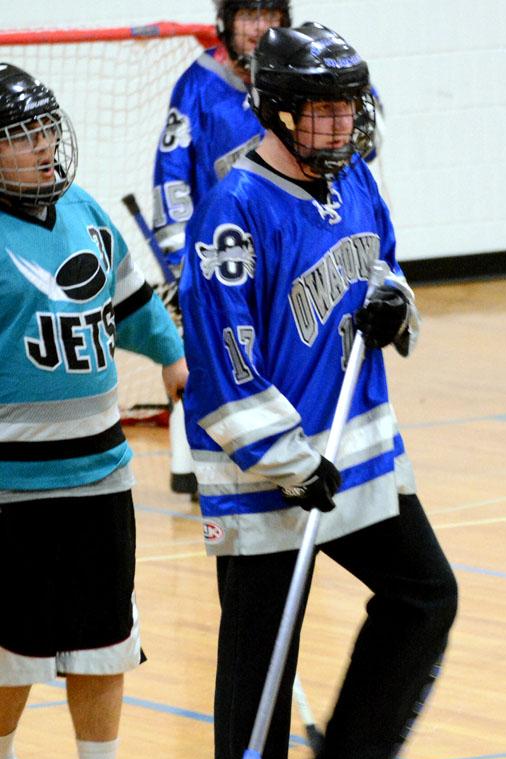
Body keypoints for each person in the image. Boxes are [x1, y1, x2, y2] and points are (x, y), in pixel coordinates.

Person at [179, 22, 458, 759]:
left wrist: (392, 307)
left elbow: (388, 269)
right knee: (263, 654)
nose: (342, 128)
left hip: (360, 458)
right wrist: (290, 462)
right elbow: (223, 372)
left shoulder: (354, 180)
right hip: (266, 478)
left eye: (349, 110)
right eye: (325, 113)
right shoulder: (234, 213)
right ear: (279, 111)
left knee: (425, 595)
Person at [0, 64, 187, 759]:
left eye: (46, 130)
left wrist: (179, 368)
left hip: (102, 473)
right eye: (21, 138)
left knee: (105, 634)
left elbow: (135, 308)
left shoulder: (85, 212)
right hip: (12, 483)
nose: (44, 147)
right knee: (11, 641)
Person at [153, 0, 291, 499]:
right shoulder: (197, 84)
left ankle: (286, 456)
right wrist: (178, 262)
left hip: (284, 258)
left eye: (270, 14)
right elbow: (170, 179)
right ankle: (200, 465)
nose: (260, 28)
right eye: (248, 16)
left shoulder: (296, 75)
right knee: (216, 362)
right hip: (219, 262)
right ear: (227, 24)